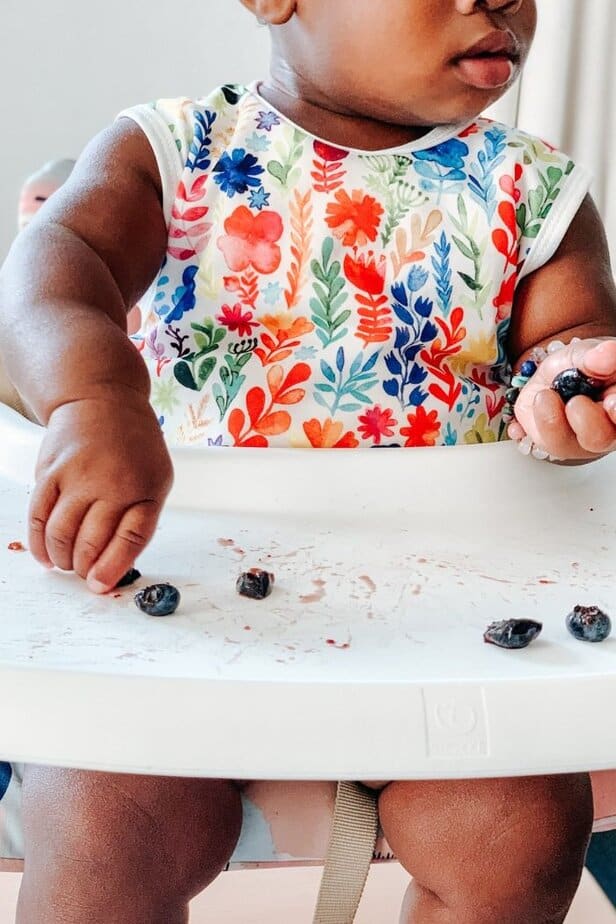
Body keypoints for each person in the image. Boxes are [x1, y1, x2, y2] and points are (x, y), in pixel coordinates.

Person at [1, 1, 616, 921]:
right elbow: (56, 268)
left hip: (444, 624)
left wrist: (577, 386)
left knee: (517, 835)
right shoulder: (172, 152)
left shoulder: (533, 189)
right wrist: (94, 399)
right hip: (178, 614)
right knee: (102, 834)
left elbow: (570, 339)